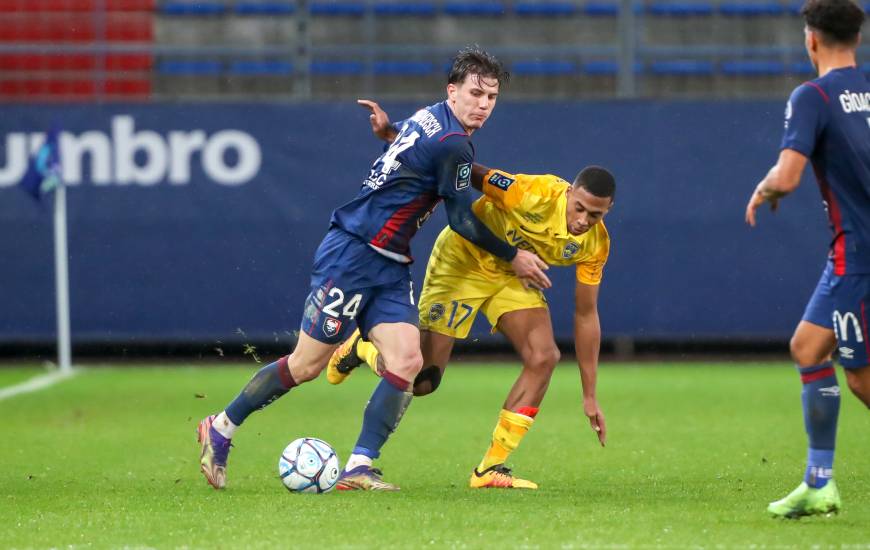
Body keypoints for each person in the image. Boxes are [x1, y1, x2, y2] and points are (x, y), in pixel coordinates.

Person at [197, 47, 552, 492]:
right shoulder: (455, 145)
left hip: (390, 264)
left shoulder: (432, 118)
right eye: (475, 94)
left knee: (407, 361)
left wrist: (388, 130)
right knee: (306, 365)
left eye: (491, 97)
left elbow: (411, 136)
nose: (483, 105)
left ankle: (360, 465)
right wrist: (513, 255)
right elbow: (461, 221)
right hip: (352, 254)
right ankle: (222, 426)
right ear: (452, 91)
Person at [328, 100, 614, 489]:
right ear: (569, 195)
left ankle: (490, 469)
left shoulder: (595, 245)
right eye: (579, 208)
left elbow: (586, 315)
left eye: (594, 216)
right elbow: (473, 173)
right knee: (423, 380)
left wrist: (590, 394)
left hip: (512, 275)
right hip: (463, 260)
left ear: (607, 213)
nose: (583, 221)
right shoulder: (534, 193)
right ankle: (362, 347)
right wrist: (398, 135)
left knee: (544, 356)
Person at [745, 0, 869, 518]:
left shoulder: (813, 95)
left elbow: (789, 175)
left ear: (811, 40)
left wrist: (764, 188)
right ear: (857, 40)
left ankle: (820, 485)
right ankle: (819, 483)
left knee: (860, 376)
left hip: (857, 253)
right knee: (809, 346)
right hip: (853, 251)